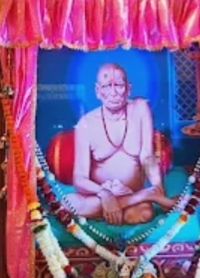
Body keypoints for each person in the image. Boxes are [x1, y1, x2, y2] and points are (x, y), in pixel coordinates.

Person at [64, 63, 177, 225]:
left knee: (143, 213)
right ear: (98, 91)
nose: (113, 93)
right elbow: (80, 179)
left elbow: (147, 156)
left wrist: (159, 190)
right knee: (67, 202)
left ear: (128, 88)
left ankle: (115, 207)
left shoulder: (140, 108)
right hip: (98, 196)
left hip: (131, 192)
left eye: (118, 85)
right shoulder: (86, 124)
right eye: (106, 86)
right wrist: (105, 194)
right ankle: (143, 196)